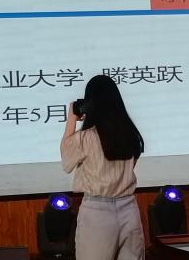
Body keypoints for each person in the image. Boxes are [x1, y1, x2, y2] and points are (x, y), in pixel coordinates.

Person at [59, 74, 145, 260]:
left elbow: (66, 162)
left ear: (90, 103)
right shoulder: (129, 133)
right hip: (129, 209)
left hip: (97, 214)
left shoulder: (86, 138)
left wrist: (72, 118)